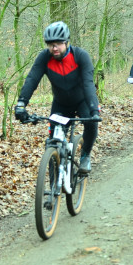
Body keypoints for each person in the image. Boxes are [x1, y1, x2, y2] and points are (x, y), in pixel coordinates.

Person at [15, 21, 101, 172]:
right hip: (61, 104)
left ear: (67, 42)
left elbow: (88, 84)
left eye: (58, 44)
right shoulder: (44, 57)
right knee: (53, 142)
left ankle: (85, 155)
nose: (54, 48)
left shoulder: (80, 56)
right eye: (50, 44)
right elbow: (32, 79)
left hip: (82, 101)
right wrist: (21, 103)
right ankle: (55, 180)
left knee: (92, 124)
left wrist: (94, 110)